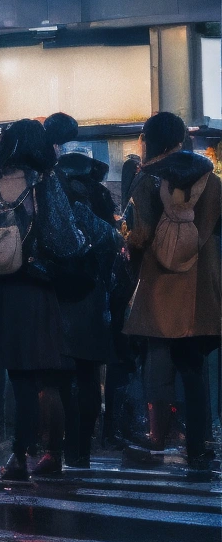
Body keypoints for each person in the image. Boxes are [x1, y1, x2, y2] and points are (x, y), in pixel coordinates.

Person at [0, 118, 84, 482]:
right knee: (25, 379)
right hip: (29, 289)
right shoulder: (45, 184)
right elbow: (64, 240)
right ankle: (17, 457)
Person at [121, 111, 219, 474]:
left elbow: (141, 233)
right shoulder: (212, 179)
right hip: (201, 288)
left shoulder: (148, 178)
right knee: (194, 369)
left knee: (157, 363)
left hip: (161, 285)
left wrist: (127, 240)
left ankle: (156, 436)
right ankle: (199, 445)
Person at [48, 125, 119, 469]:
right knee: (90, 376)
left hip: (63, 296)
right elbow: (114, 249)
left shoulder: (60, 196)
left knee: (62, 377)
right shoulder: (102, 200)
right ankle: (83, 452)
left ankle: (62, 448)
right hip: (95, 297)